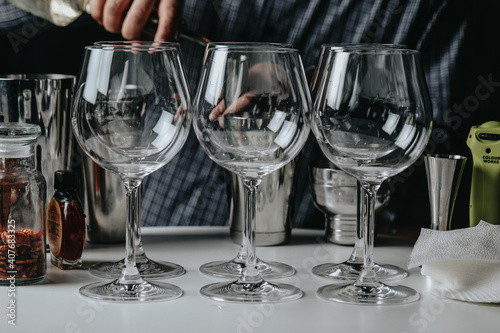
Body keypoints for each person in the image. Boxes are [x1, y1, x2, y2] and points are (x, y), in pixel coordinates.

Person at [2, 0, 499, 235]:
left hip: (309, 262)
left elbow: (440, 154)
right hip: (151, 236)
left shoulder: (437, 9)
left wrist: (307, 92)